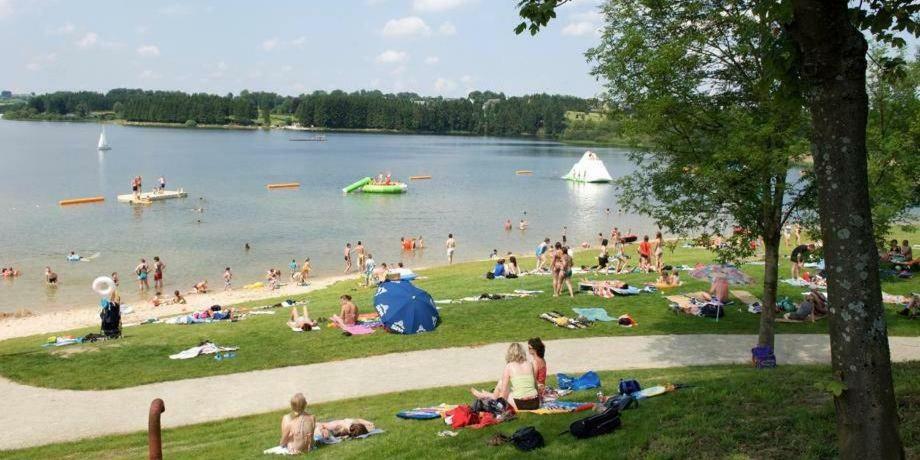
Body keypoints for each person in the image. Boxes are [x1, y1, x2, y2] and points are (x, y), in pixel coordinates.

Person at [470, 343, 540, 411]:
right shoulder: (529, 364)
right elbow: (535, 386)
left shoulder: (509, 366)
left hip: (520, 404)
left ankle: (487, 396)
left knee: (501, 383)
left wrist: (499, 403)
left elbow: (503, 391)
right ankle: (487, 395)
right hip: (535, 403)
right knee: (512, 390)